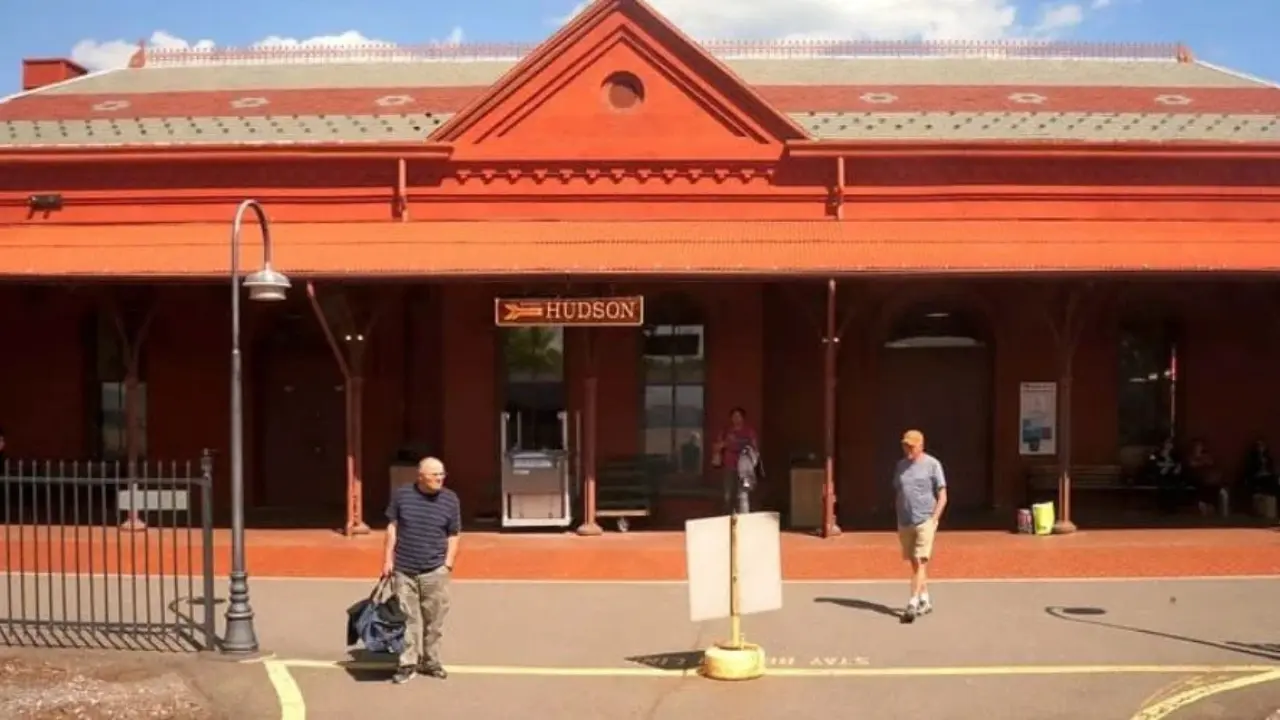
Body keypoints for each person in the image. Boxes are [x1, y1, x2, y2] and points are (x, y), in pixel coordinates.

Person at [382, 456, 461, 685]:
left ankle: (431, 661)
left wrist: (448, 563)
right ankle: (407, 663)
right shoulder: (402, 495)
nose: (440, 478)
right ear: (420, 476)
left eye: (442, 474)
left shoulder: (450, 500)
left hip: (434, 570)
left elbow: (454, 534)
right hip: (404, 568)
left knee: (434, 621)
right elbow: (392, 528)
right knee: (408, 619)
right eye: (435, 474)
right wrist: (388, 560)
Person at [893, 429, 947, 622]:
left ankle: (913, 602)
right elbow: (899, 491)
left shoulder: (933, 465)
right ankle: (925, 599)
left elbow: (942, 495)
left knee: (921, 560)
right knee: (915, 563)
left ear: (921, 446)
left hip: (925, 520)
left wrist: (934, 519)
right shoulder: (900, 466)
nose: (907, 449)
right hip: (905, 521)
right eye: (905, 445)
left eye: (911, 446)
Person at [711, 407, 760, 514]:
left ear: (743, 418)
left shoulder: (749, 431)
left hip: (744, 468)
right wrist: (724, 444)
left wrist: (739, 446)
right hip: (729, 465)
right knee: (728, 494)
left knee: (742, 495)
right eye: (734, 416)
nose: (736, 419)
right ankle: (728, 518)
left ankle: (744, 519)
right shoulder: (726, 431)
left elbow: (754, 448)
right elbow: (717, 446)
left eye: (738, 416)